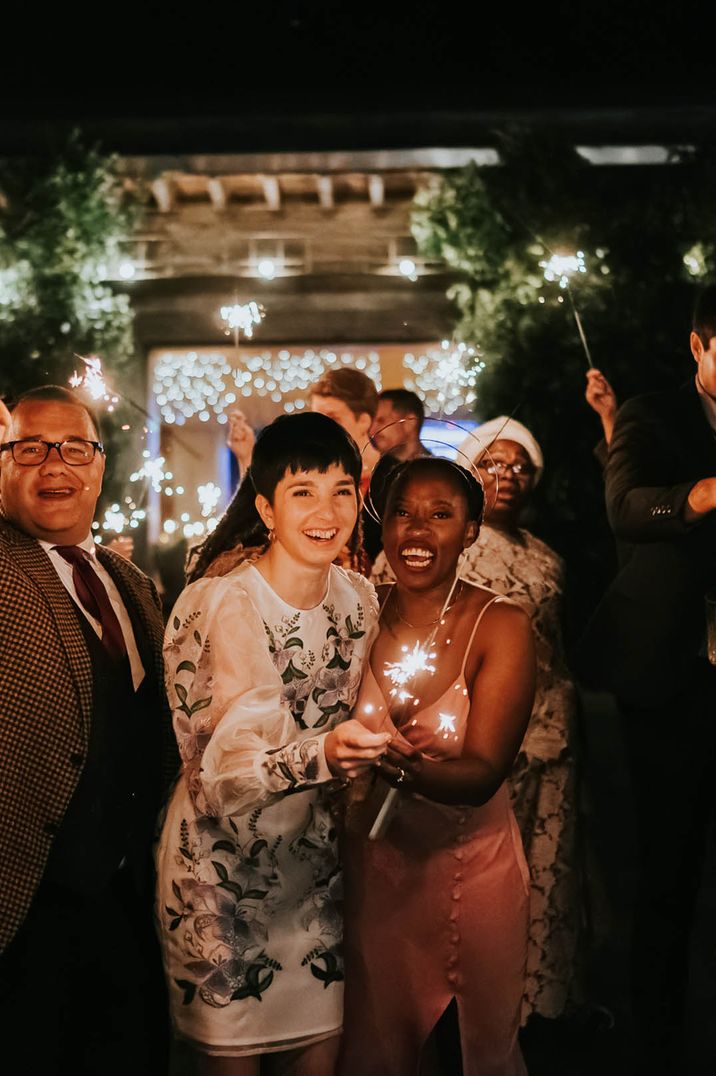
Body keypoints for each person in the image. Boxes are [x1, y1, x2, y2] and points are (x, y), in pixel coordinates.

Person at [155, 411, 391, 1074]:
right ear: (264, 506)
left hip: (316, 884)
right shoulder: (218, 603)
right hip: (222, 884)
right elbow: (220, 776)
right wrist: (325, 753)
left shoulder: (360, 599)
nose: (327, 511)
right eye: (303, 492)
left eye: (342, 490)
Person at [372, 417, 582, 1027]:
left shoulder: (545, 556)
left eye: (521, 468)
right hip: (459, 739)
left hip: (548, 732)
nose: (507, 477)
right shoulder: (427, 552)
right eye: (493, 464)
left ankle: (520, 1005)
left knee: (536, 878)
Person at [0, 385, 177, 1076]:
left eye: (74, 448)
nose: (54, 465)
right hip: (20, 914)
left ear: (100, 467)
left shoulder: (132, 583)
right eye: (28, 448)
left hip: (129, 910)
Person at [340, 455, 536, 1076]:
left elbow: (482, 773)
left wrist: (399, 768)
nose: (416, 532)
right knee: (374, 1046)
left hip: (467, 876)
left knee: (465, 1050)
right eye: (402, 513)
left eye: (440, 515)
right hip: (371, 880)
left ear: (471, 530)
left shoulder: (500, 625)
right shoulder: (356, 612)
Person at [580, 285, 716, 1074]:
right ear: (697, 347)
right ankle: (657, 1040)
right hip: (670, 673)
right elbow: (625, 506)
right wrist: (699, 494)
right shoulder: (652, 415)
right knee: (667, 864)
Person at [310, 367, 383, 566]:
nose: (320, 428)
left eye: (333, 418)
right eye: (315, 419)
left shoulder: (393, 478)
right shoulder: (312, 478)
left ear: (364, 421)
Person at [370, 387, 429, 460]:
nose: (371, 430)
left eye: (381, 420)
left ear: (410, 422)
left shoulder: (435, 469)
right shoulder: (373, 467)